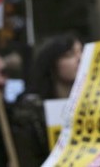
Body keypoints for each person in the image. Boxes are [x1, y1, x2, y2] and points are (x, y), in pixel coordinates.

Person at [12, 33, 84, 163]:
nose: (80, 59)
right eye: (70, 55)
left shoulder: (91, 102)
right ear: (51, 62)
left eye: (82, 52)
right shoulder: (31, 111)